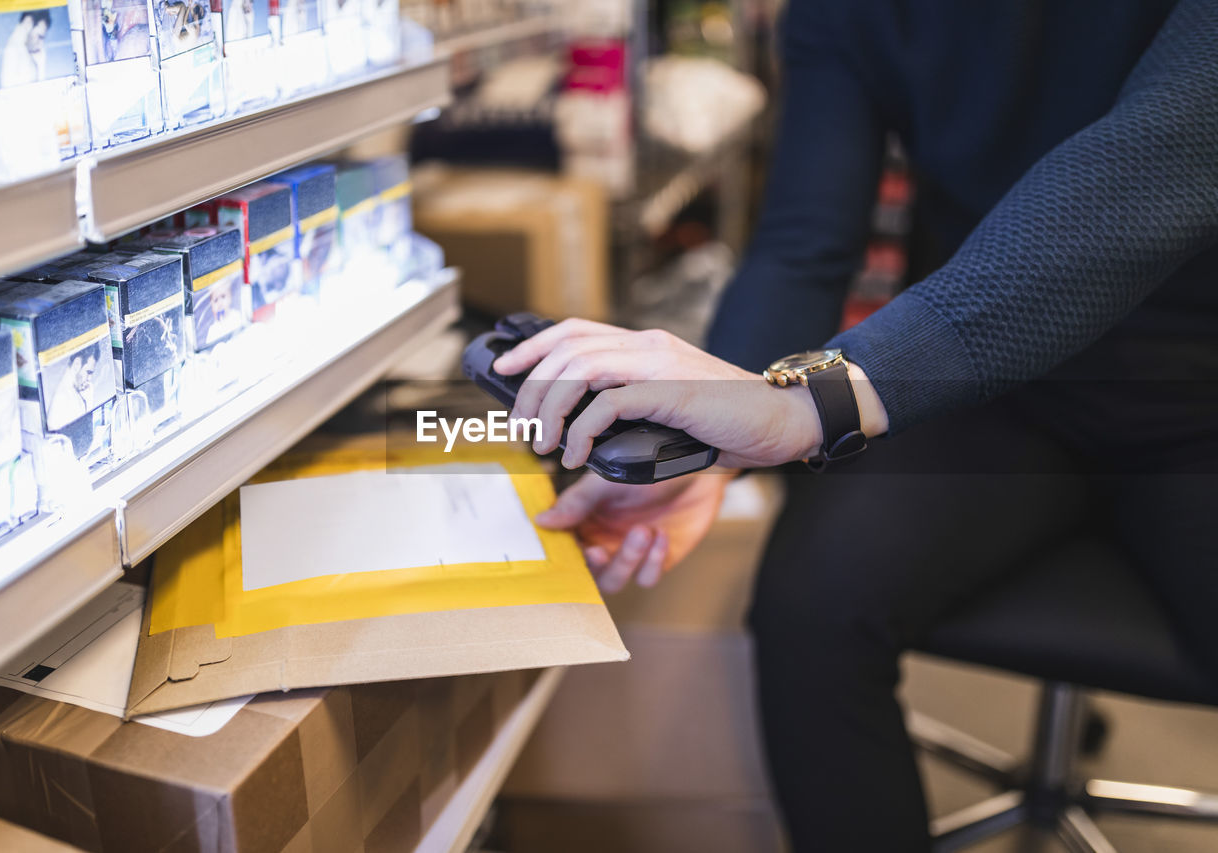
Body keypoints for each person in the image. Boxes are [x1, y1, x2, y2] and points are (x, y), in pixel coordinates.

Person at [490, 1, 1218, 850]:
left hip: (1196, 391)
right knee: (810, 613)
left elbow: (1156, 164)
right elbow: (804, 242)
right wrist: (707, 451)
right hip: (982, 391)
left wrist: (810, 403)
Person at [0, 10, 51, 87]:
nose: (41, 44)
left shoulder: (26, 53)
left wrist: (40, 66)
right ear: (27, 23)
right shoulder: (14, 51)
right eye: (40, 36)